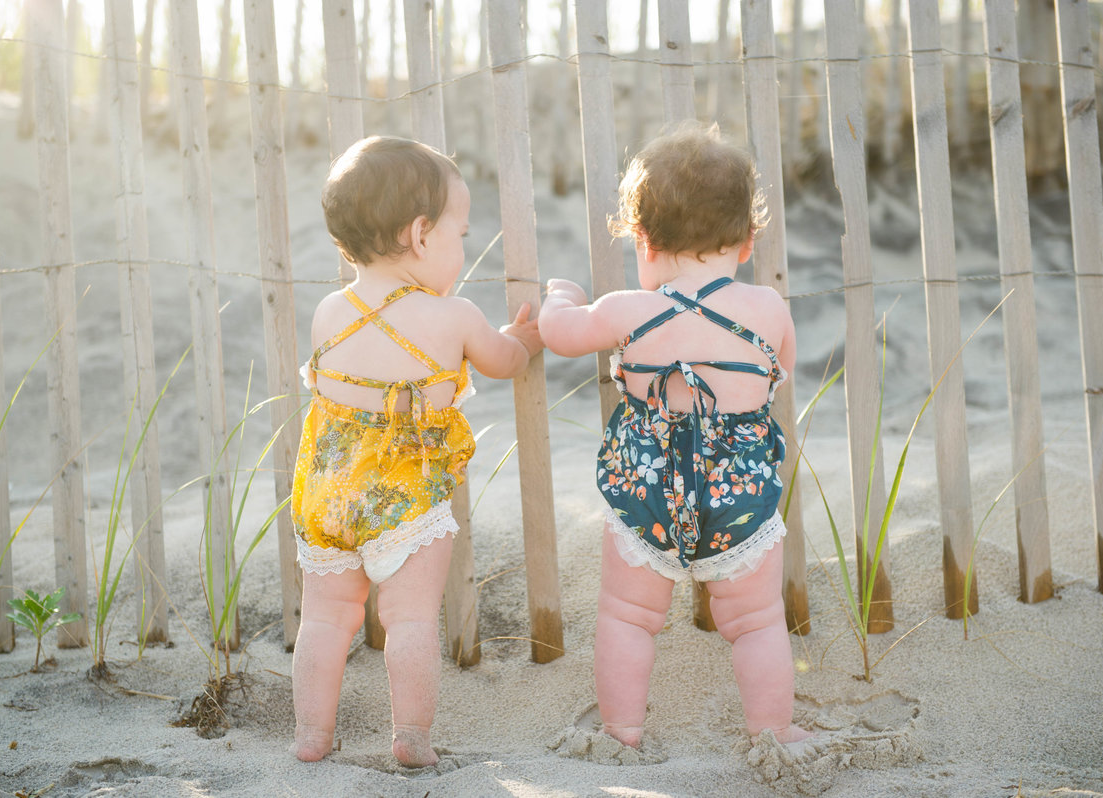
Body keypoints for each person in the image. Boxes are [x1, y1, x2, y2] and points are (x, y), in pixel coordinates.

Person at [538, 122, 810, 748]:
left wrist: (560, 296)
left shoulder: (628, 309)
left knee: (628, 617)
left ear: (643, 238)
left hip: (647, 490)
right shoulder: (768, 309)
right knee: (757, 622)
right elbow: (780, 374)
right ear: (746, 240)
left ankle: (623, 733)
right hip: (739, 492)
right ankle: (773, 732)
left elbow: (560, 333)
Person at [290, 135, 542, 766]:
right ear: (422, 234)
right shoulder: (450, 316)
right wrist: (524, 336)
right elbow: (506, 360)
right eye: (460, 234)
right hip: (407, 496)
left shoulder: (328, 311)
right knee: (408, 618)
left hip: (329, 492)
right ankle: (412, 738)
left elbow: (325, 389)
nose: (461, 249)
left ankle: (312, 738)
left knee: (324, 620)